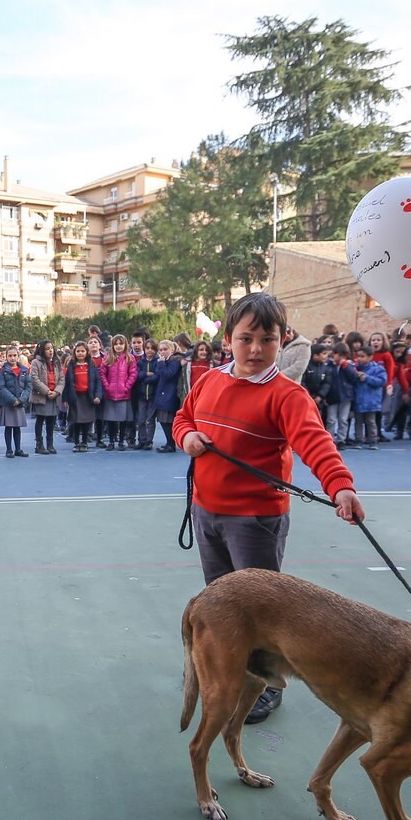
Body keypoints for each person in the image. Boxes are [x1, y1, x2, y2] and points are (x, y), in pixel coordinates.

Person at [172, 292, 363, 725]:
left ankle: (265, 689)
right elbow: (182, 417)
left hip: (255, 522)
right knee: (223, 606)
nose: (256, 348)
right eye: (246, 338)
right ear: (228, 339)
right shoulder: (209, 381)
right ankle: (229, 673)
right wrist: (186, 438)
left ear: (283, 340)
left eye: (267, 339)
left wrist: (341, 488)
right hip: (206, 514)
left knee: (262, 612)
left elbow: (316, 444)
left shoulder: (287, 395)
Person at [63, 340, 102, 452]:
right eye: (78, 351)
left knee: (86, 421)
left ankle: (84, 442)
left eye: (83, 351)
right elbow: (67, 382)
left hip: (87, 397)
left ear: (87, 352)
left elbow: (97, 381)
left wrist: (98, 396)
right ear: (74, 352)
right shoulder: (71, 365)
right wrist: (65, 398)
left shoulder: (91, 365)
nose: (80, 353)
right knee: (76, 421)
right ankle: (76, 442)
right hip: (75, 397)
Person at [28, 340, 65, 455]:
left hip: (54, 396)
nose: (50, 351)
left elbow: (61, 379)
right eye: (47, 348)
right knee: (40, 420)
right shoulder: (36, 362)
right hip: (42, 396)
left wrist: (57, 391)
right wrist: (47, 391)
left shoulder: (57, 362)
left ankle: (50, 444)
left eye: (51, 348)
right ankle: (39, 444)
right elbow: (34, 378)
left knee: (51, 421)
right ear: (42, 350)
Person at [349, 345, 388, 449]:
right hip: (358, 400)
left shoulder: (378, 369)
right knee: (358, 422)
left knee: (371, 422)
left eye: (363, 356)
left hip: (371, 401)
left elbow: (382, 381)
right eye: (358, 356)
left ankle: (373, 440)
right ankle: (358, 440)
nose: (360, 359)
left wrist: (366, 378)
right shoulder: (355, 368)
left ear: (370, 357)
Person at [0, 346, 30, 458]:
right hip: (8, 403)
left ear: (18, 356)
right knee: (8, 427)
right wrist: (12, 399)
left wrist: (21, 399)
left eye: (14, 355)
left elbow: (28, 387)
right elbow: (1, 387)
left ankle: (18, 449)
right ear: (6, 357)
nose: (12, 358)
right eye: (10, 356)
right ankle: (9, 449)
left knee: (17, 427)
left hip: (20, 403)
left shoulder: (24, 370)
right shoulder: (3, 371)